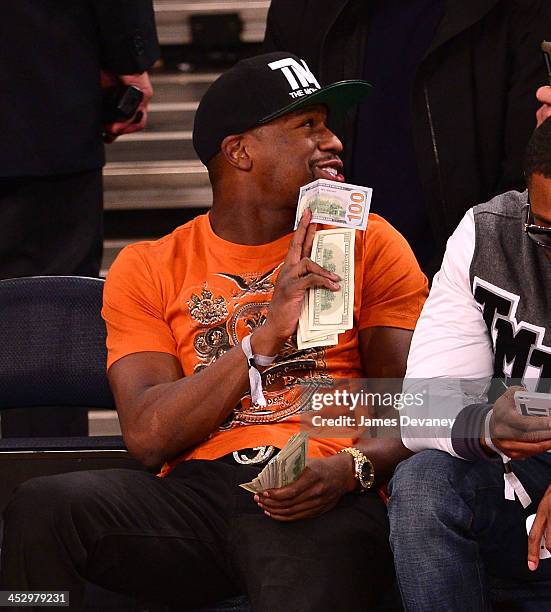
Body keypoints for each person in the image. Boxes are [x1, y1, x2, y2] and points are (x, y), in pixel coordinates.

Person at [0, 52, 428, 611]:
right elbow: (150, 435)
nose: (333, 142)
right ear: (240, 151)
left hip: (320, 487)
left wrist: (351, 469)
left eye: (328, 124)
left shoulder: (370, 241)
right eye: (308, 125)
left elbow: (424, 403)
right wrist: (261, 342)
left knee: (301, 567)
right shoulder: (149, 265)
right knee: (43, 507)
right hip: (197, 495)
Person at [387, 117, 551, 610]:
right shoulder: (489, 233)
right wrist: (484, 421)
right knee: (422, 487)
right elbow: (422, 405)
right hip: (526, 479)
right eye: (548, 227)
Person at [264, 0, 551, 275]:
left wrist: (459, 284)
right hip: (330, 284)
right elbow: (266, 155)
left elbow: (527, 178)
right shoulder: (301, 10)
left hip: (467, 285)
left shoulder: (521, 10)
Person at [0, 0, 160, 438]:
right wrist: (128, 59)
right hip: (37, 97)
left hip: (38, 104)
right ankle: (38, 487)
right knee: (44, 311)